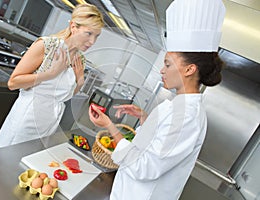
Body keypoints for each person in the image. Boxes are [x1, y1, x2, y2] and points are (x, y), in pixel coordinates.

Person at [88, 0, 225, 199]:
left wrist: (110, 127)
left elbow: (144, 167)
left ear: (189, 69)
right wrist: (146, 119)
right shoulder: (180, 108)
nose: (162, 70)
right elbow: (158, 145)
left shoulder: (186, 115)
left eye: (168, 64)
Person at [0, 4, 104, 150]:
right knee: (4, 159)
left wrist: (80, 81)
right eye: (89, 33)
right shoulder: (46, 46)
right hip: (27, 118)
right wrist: (50, 74)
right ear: (73, 26)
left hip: (50, 122)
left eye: (97, 36)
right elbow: (13, 83)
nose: (92, 42)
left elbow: (65, 95)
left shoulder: (79, 59)